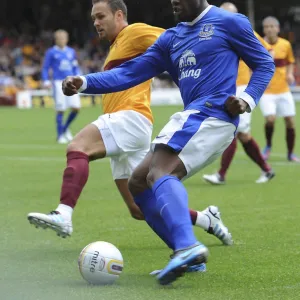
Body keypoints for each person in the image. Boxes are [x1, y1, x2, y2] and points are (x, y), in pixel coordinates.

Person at [60, 0, 275, 285]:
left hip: (212, 113)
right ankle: (186, 255)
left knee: (160, 171)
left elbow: (264, 63)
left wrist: (246, 100)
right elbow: (129, 72)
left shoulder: (229, 22)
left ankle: (188, 246)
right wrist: (84, 83)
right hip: (195, 117)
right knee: (138, 182)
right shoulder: (171, 38)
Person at [28, 0, 233, 261]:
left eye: (100, 16)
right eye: (93, 19)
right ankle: (206, 220)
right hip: (125, 123)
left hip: (130, 117)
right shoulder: (116, 47)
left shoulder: (134, 32)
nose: (96, 23)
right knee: (139, 207)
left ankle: (63, 214)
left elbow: (177, 39)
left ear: (119, 14)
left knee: (78, 147)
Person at [203, 2, 275, 185]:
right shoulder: (213, 31)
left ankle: (221, 175)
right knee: (241, 134)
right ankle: (266, 170)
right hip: (224, 88)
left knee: (233, 131)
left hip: (241, 88)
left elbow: (266, 54)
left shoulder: (243, 30)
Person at [260, 17, 299, 162]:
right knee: (270, 119)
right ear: (264, 29)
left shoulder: (285, 44)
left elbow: (290, 62)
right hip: (267, 91)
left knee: (290, 121)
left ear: (277, 28)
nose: (270, 29)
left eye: (272, 26)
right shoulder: (259, 44)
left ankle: (290, 153)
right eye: (267, 27)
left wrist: (289, 73)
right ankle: (268, 146)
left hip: (283, 90)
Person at [42, 30, 81, 144]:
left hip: (71, 81)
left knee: (76, 107)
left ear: (67, 39)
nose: (62, 40)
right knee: (60, 109)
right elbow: (45, 67)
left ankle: (64, 128)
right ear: (56, 39)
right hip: (58, 82)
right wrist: (45, 80)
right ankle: (60, 136)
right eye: (59, 38)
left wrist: (78, 77)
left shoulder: (71, 51)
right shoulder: (51, 52)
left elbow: (75, 66)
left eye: (64, 38)